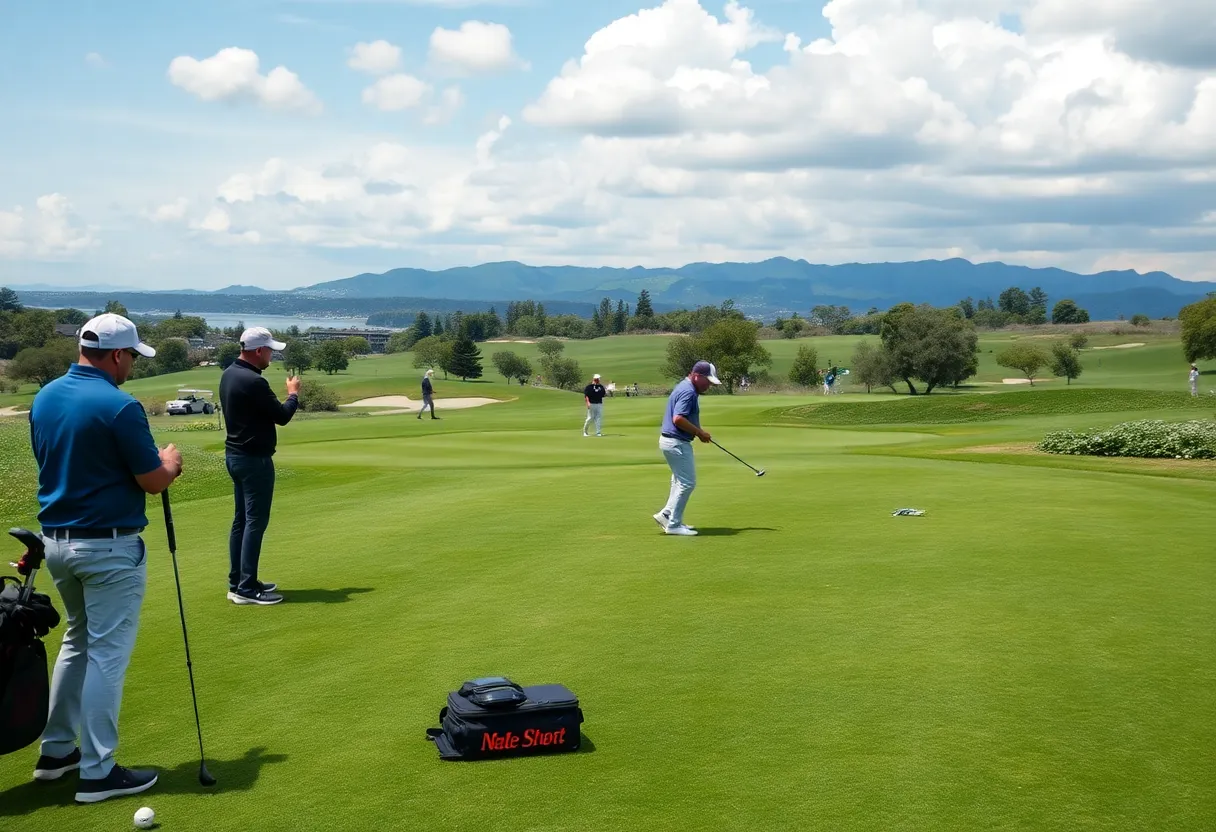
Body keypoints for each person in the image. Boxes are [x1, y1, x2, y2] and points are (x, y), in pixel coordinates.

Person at [28, 313, 184, 803]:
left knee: (77, 643)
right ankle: (98, 771)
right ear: (117, 355)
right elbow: (152, 480)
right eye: (133, 357)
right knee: (107, 655)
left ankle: (56, 753)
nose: (133, 366)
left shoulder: (45, 396)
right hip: (108, 547)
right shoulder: (120, 407)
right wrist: (170, 463)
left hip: (56, 544)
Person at [220, 327, 299, 606]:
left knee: (241, 520)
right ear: (257, 351)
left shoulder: (229, 373)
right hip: (254, 460)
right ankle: (246, 589)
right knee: (255, 522)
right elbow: (281, 416)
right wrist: (293, 395)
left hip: (236, 456)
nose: (272, 356)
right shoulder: (254, 381)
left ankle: (240, 581)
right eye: (269, 351)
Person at [654, 360, 720, 536]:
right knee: (687, 483)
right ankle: (674, 524)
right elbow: (678, 419)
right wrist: (699, 432)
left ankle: (667, 515)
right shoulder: (689, 392)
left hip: (670, 441)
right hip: (676, 442)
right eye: (708, 381)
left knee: (678, 481)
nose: (709, 386)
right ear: (697, 376)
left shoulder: (685, 386)